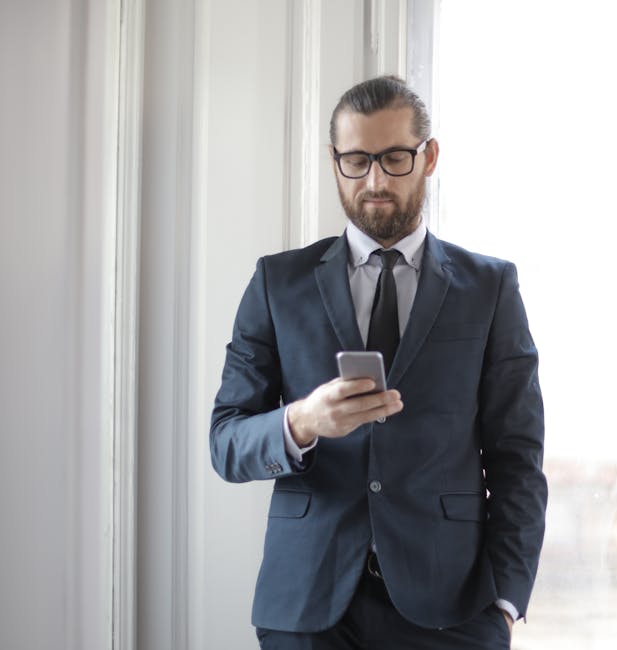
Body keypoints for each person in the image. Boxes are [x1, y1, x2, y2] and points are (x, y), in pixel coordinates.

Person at [210, 75, 547, 650]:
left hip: (452, 610)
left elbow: (518, 459)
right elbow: (226, 444)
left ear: (429, 156)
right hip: (307, 606)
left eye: (393, 158)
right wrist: (302, 423)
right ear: (334, 159)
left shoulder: (490, 287)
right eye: (356, 160)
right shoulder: (278, 282)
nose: (374, 181)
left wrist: (506, 603)